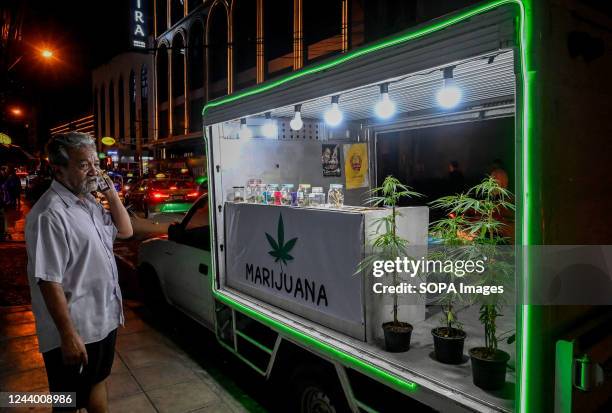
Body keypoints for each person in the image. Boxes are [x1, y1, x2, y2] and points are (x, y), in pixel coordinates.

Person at [25, 132, 133, 412]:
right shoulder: (50, 214)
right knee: (67, 401)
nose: (94, 171)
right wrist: (68, 334)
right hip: (77, 328)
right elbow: (49, 280)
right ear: (58, 169)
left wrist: (110, 191)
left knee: (97, 381)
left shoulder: (88, 203)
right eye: (84, 165)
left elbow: (125, 230)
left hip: (102, 320)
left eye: (95, 163)